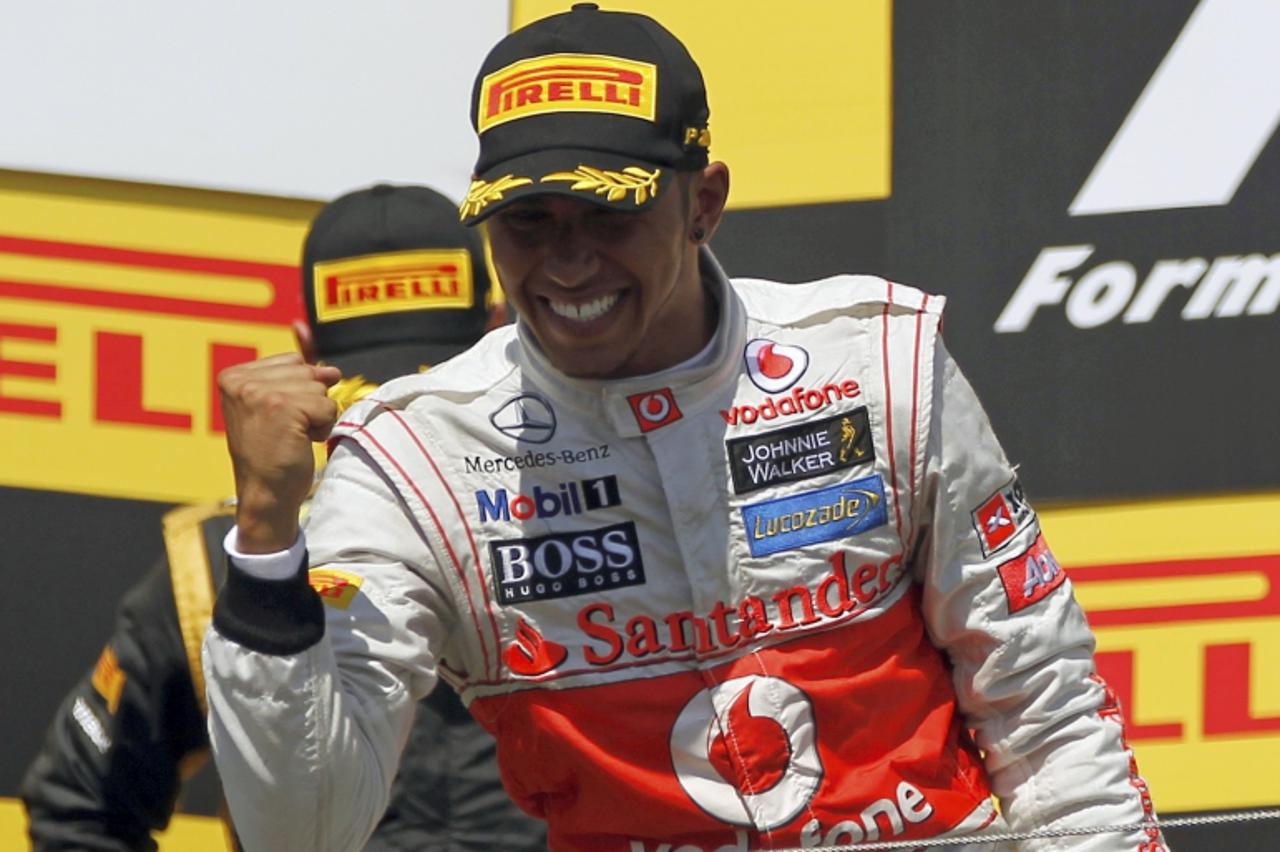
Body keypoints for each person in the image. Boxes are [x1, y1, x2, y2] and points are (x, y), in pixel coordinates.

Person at [204, 5, 1168, 851]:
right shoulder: (413, 457)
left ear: (704, 201)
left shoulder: (878, 365)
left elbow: (1044, 708)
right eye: (527, 223)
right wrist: (265, 548)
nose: (568, 264)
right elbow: (305, 828)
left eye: (605, 214)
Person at [21, 184, 546, 852]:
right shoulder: (224, 563)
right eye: (373, 403)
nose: (398, 432)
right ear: (498, 323)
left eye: (421, 393)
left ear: (304, 346)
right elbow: (82, 810)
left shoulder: (590, 509)